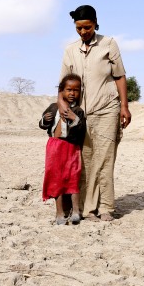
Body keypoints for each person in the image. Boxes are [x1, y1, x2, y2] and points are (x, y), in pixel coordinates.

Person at [58, 5, 131, 222]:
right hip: (80, 114)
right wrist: (61, 104)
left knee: (106, 158)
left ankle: (106, 207)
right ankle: (87, 209)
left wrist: (125, 107)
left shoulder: (109, 44)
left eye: (87, 27)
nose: (83, 32)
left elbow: (119, 76)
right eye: (79, 28)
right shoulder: (70, 50)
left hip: (108, 109)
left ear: (95, 22)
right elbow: (63, 83)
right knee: (86, 160)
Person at [39, 73, 87, 225]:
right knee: (56, 179)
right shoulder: (53, 107)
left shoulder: (78, 111)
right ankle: (59, 213)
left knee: (73, 177)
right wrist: (44, 120)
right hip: (54, 147)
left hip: (71, 148)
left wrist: (74, 119)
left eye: (76, 90)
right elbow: (42, 124)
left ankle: (76, 211)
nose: (72, 93)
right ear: (61, 91)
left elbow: (81, 130)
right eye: (68, 90)